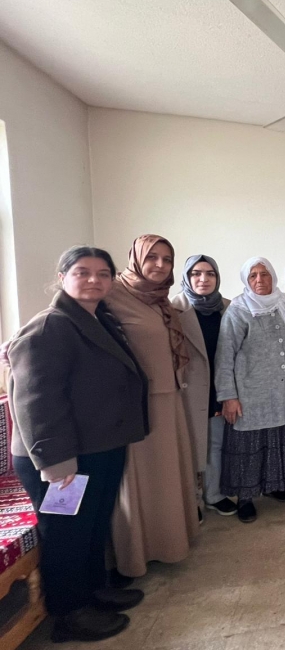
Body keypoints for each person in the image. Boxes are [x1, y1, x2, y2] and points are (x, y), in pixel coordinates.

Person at [8, 247, 147, 643]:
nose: (93, 280)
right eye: (82, 272)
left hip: (99, 446)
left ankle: (94, 590)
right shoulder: (48, 328)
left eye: (103, 274)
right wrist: (56, 463)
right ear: (62, 277)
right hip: (62, 457)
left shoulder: (98, 319)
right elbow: (36, 402)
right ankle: (69, 614)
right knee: (66, 533)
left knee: (93, 524)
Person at [106, 235, 199, 578]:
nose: (160, 265)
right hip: (136, 405)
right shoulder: (112, 293)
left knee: (168, 476)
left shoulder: (161, 299)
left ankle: (171, 543)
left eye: (167, 259)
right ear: (135, 258)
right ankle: (138, 555)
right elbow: (67, 317)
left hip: (169, 397)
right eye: (152, 257)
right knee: (142, 481)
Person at [215, 257, 285, 523]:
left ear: (273, 276)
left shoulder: (284, 304)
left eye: (265, 274)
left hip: (282, 392)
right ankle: (246, 497)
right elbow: (224, 357)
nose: (260, 280)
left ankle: (274, 485)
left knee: (276, 441)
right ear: (246, 280)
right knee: (248, 447)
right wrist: (228, 396)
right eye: (253, 276)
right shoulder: (238, 310)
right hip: (250, 394)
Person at [171, 255, 237, 518]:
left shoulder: (228, 308)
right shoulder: (173, 309)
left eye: (210, 274)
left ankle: (213, 494)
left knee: (215, 443)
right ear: (187, 277)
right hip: (189, 387)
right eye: (196, 273)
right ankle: (191, 501)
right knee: (189, 446)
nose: (203, 279)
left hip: (219, 385)